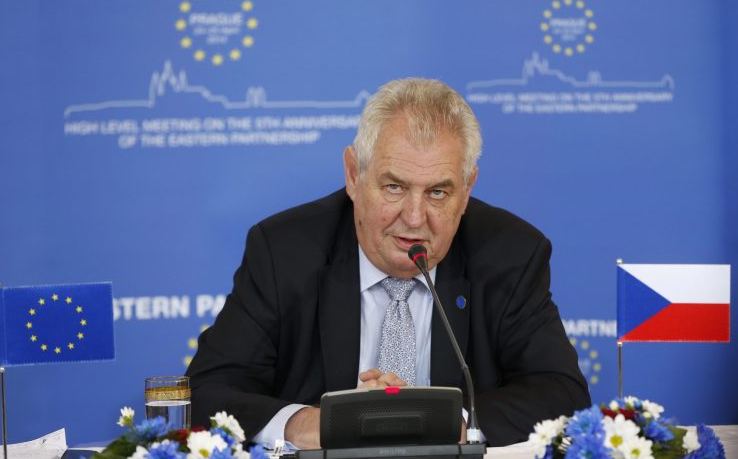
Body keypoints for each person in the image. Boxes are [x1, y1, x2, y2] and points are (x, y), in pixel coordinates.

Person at [186, 78, 590, 448]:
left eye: (437, 193)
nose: (414, 219)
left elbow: (561, 392)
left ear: (466, 191)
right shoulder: (284, 251)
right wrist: (308, 423)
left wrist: (448, 422)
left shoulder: (510, 253)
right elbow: (208, 389)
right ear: (353, 174)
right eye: (394, 187)